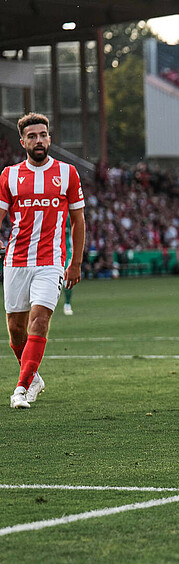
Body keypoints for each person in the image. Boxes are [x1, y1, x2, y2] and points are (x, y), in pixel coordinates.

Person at [0, 113, 86, 409]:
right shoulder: (9, 175)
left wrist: (75, 262)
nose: (39, 140)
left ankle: (21, 389)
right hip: (16, 260)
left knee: (40, 318)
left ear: (50, 138)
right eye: (32, 136)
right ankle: (34, 375)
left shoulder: (67, 173)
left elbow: (78, 220)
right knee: (15, 329)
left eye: (43, 134)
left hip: (51, 261)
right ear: (22, 141)